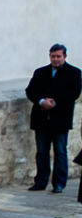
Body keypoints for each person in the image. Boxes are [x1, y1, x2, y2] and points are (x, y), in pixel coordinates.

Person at [26, 43, 79, 194]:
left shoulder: (74, 73)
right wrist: (42, 101)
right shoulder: (40, 72)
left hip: (60, 119)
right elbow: (31, 90)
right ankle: (41, 181)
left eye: (58, 56)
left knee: (60, 152)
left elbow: (74, 93)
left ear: (65, 56)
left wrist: (54, 102)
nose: (55, 59)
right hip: (41, 118)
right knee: (42, 152)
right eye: (53, 56)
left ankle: (59, 183)